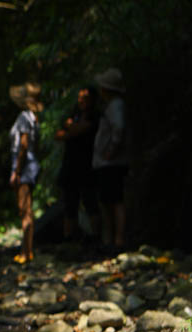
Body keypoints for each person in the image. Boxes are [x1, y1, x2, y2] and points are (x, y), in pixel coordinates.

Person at [55, 85, 101, 241]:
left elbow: (78, 130)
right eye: (79, 97)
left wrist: (70, 128)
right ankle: (69, 239)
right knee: (70, 204)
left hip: (88, 165)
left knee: (90, 202)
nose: (81, 100)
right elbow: (60, 134)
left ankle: (96, 237)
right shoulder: (74, 115)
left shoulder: (94, 117)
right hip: (70, 166)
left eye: (85, 98)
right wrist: (71, 129)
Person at [92, 68, 129, 251]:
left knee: (112, 201)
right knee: (109, 200)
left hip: (111, 163)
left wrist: (110, 151)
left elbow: (118, 129)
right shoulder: (114, 105)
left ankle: (116, 239)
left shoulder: (115, 105)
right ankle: (112, 239)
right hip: (109, 162)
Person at [8, 82, 43, 264]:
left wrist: (16, 170)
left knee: (24, 210)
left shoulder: (23, 117)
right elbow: (35, 145)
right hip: (32, 162)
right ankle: (27, 250)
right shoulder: (34, 118)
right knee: (28, 209)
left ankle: (25, 252)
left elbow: (23, 145)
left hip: (24, 164)